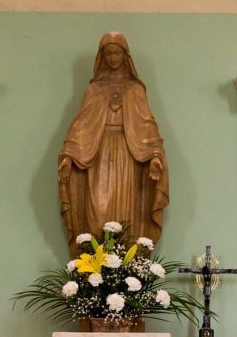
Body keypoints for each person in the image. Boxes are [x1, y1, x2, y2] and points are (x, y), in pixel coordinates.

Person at [58, 32, 169, 254]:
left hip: (129, 156)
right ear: (102, 57)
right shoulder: (94, 89)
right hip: (98, 155)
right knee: (97, 210)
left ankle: (127, 259)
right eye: (108, 54)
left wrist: (155, 157)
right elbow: (81, 126)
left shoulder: (135, 88)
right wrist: (68, 157)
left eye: (117, 53)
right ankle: (96, 260)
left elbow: (147, 125)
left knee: (127, 211)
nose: (113, 58)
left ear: (125, 55)